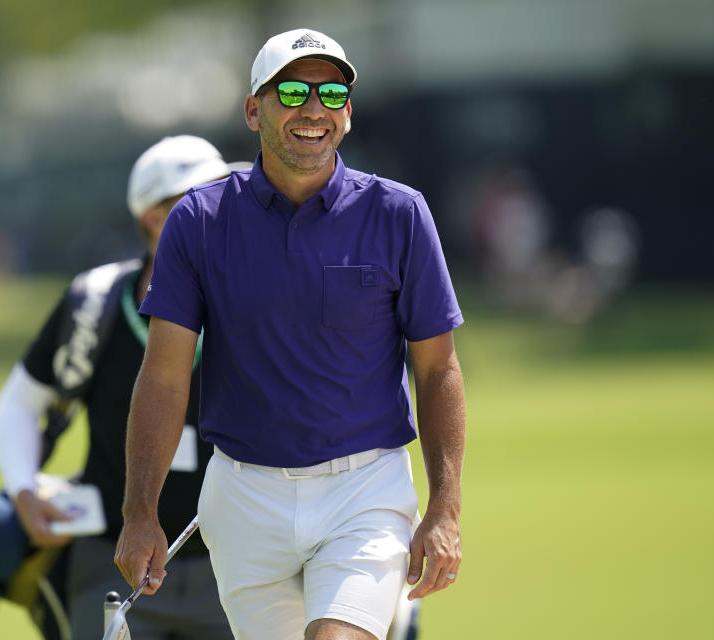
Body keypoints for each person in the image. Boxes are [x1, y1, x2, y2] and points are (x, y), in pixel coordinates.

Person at [115, 28, 466, 640]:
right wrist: (139, 512)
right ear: (254, 109)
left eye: (332, 94)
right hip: (244, 497)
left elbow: (438, 370)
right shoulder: (198, 220)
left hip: (365, 489)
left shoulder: (399, 213)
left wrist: (445, 507)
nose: (314, 109)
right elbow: (165, 377)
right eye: (293, 91)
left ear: (348, 115)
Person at [0, 135, 238, 639]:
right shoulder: (93, 304)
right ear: (153, 218)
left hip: (239, 569)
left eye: (225, 194)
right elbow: (19, 404)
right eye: (202, 197)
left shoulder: (256, 303)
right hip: (111, 567)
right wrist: (22, 491)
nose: (224, 210)